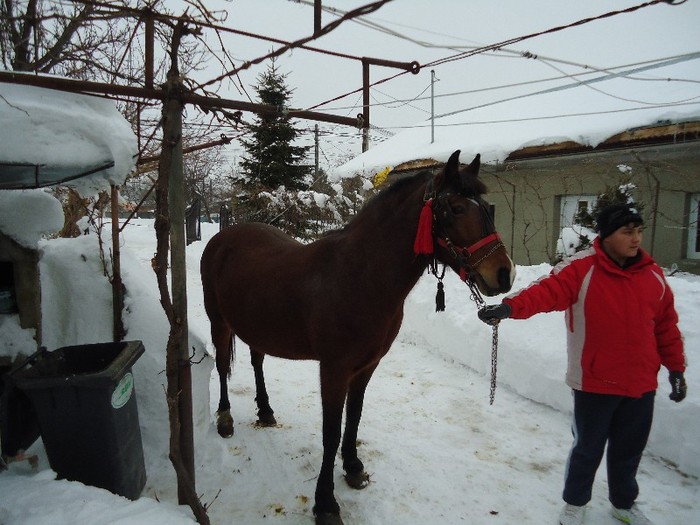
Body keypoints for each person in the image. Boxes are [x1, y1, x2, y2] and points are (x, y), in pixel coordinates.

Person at [477, 203, 687, 525]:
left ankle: (624, 503)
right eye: (627, 232)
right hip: (595, 382)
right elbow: (546, 291)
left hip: (641, 384)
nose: (636, 239)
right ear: (607, 234)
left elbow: (666, 327)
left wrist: (675, 369)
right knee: (587, 449)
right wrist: (509, 308)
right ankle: (575, 503)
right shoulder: (582, 269)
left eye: (639, 232)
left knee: (629, 451)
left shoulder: (653, 275)